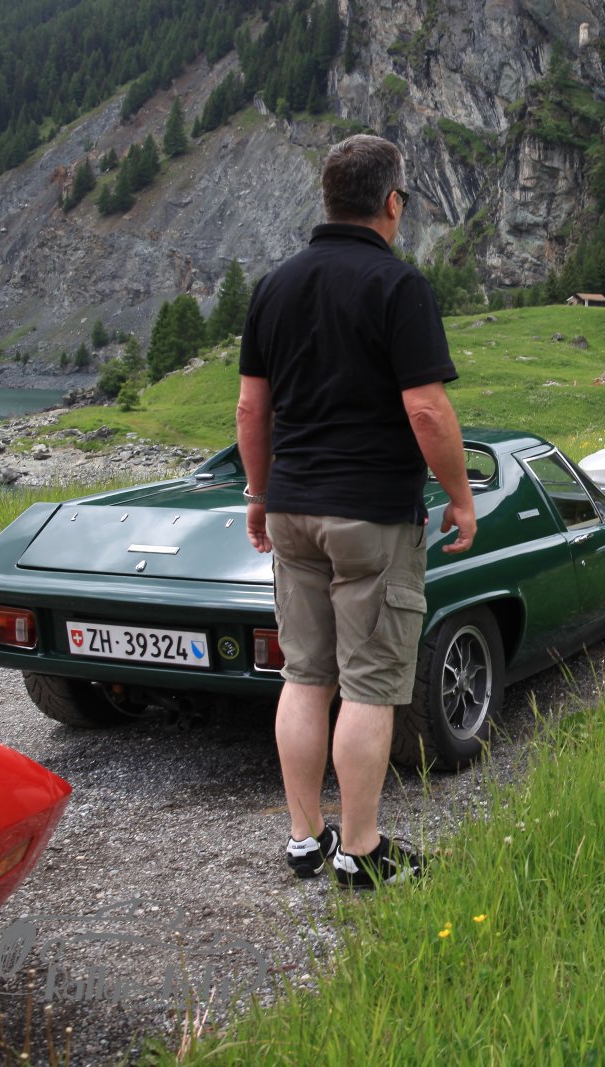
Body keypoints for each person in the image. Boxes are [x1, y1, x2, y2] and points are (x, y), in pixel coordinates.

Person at [236, 134, 478, 891]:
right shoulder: (398, 286)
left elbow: (251, 409)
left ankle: (305, 837)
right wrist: (461, 496)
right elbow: (427, 411)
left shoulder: (274, 285)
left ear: (328, 199)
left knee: (305, 676)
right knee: (370, 685)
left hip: (293, 511)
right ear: (392, 203)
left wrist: (259, 493)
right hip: (371, 516)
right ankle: (362, 849)